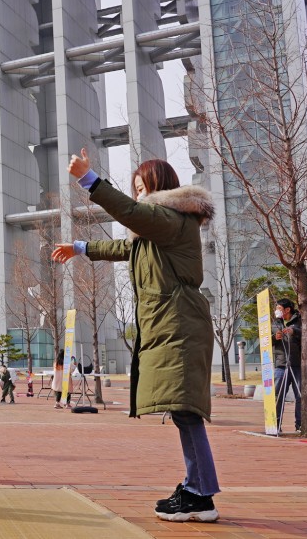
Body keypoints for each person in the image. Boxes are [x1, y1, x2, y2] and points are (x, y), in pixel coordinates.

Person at [51, 149, 220, 523]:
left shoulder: (172, 219)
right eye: (136, 189)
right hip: (173, 324)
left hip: (179, 326)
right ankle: (196, 489)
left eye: (142, 188)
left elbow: (129, 213)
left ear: (158, 188)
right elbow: (125, 247)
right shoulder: (161, 230)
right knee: (182, 412)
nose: (138, 195)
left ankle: (201, 496)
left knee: (185, 411)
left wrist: (88, 179)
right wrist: (80, 248)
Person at [272, 298, 302, 432]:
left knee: (301, 395)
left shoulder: (300, 320)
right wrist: (274, 337)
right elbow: (265, 340)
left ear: (287, 310)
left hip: (297, 365)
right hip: (281, 365)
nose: (276, 311)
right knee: (278, 396)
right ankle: (276, 425)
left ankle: (300, 425)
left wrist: (294, 331)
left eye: (279, 308)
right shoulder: (275, 323)